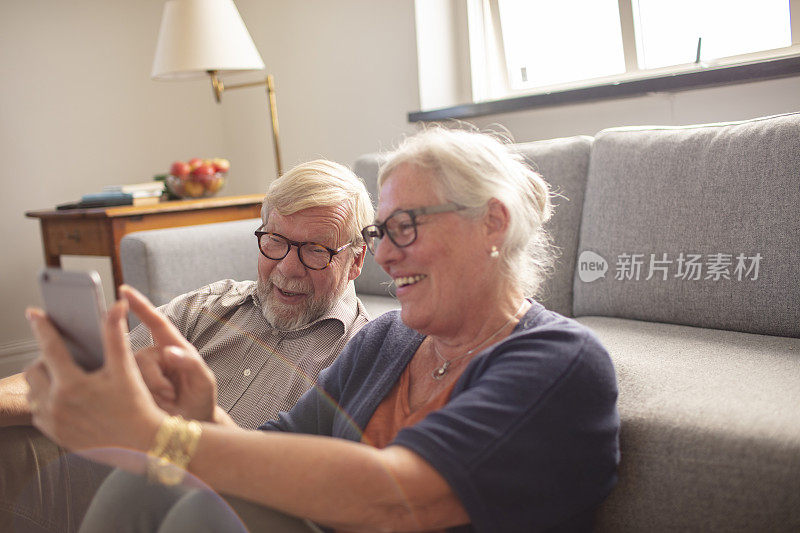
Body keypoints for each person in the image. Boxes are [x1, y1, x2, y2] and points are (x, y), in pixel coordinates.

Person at [25, 128, 620, 532]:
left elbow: (393, 495)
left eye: (405, 227)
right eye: (381, 232)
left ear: (493, 221)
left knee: (196, 501)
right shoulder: (387, 343)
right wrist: (200, 416)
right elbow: (274, 455)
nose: (385, 256)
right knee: (152, 483)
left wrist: (161, 435)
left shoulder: (558, 361)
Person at [1, 159, 373, 532]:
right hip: (125, 479)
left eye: (315, 251)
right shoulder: (210, 306)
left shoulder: (361, 358)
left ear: (356, 260)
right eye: (275, 241)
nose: (288, 268)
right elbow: (85, 376)